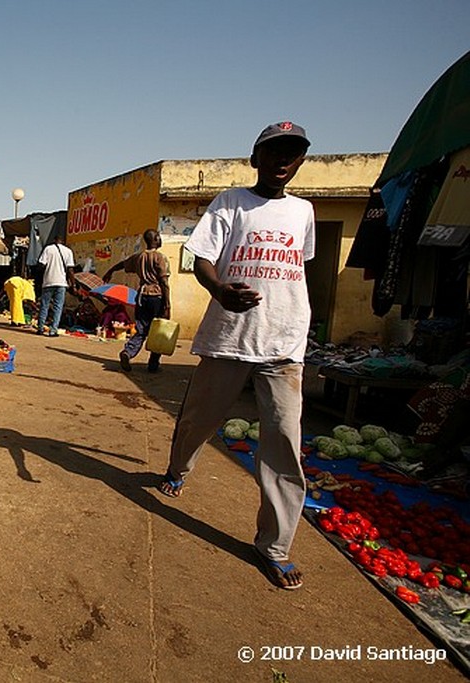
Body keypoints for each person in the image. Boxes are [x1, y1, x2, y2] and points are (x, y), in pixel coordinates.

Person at [158, 121, 315, 591]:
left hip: (285, 342)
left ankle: (274, 545)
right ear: (255, 158)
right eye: (273, 152)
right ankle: (178, 468)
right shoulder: (231, 202)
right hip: (230, 337)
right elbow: (200, 255)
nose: (282, 161)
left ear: (300, 161)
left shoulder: (305, 212)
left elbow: (298, 272)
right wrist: (220, 289)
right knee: (199, 420)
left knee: (284, 440)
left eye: (292, 153)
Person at [103, 228, 170, 372]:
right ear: (156, 239)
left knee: (141, 328)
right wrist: (167, 304)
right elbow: (164, 282)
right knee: (157, 331)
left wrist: (110, 271)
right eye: (158, 237)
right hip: (156, 296)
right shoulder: (159, 258)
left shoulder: (139, 257)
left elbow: (123, 263)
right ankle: (153, 364)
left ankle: (128, 352)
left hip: (142, 296)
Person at [35, 235, 74, 336]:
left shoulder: (48, 249)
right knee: (58, 307)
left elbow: (41, 264)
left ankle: (40, 328)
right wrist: (73, 284)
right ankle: (53, 330)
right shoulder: (68, 251)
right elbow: (70, 269)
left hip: (48, 281)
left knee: (45, 305)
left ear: (54, 240)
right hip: (61, 283)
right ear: (63, 241)